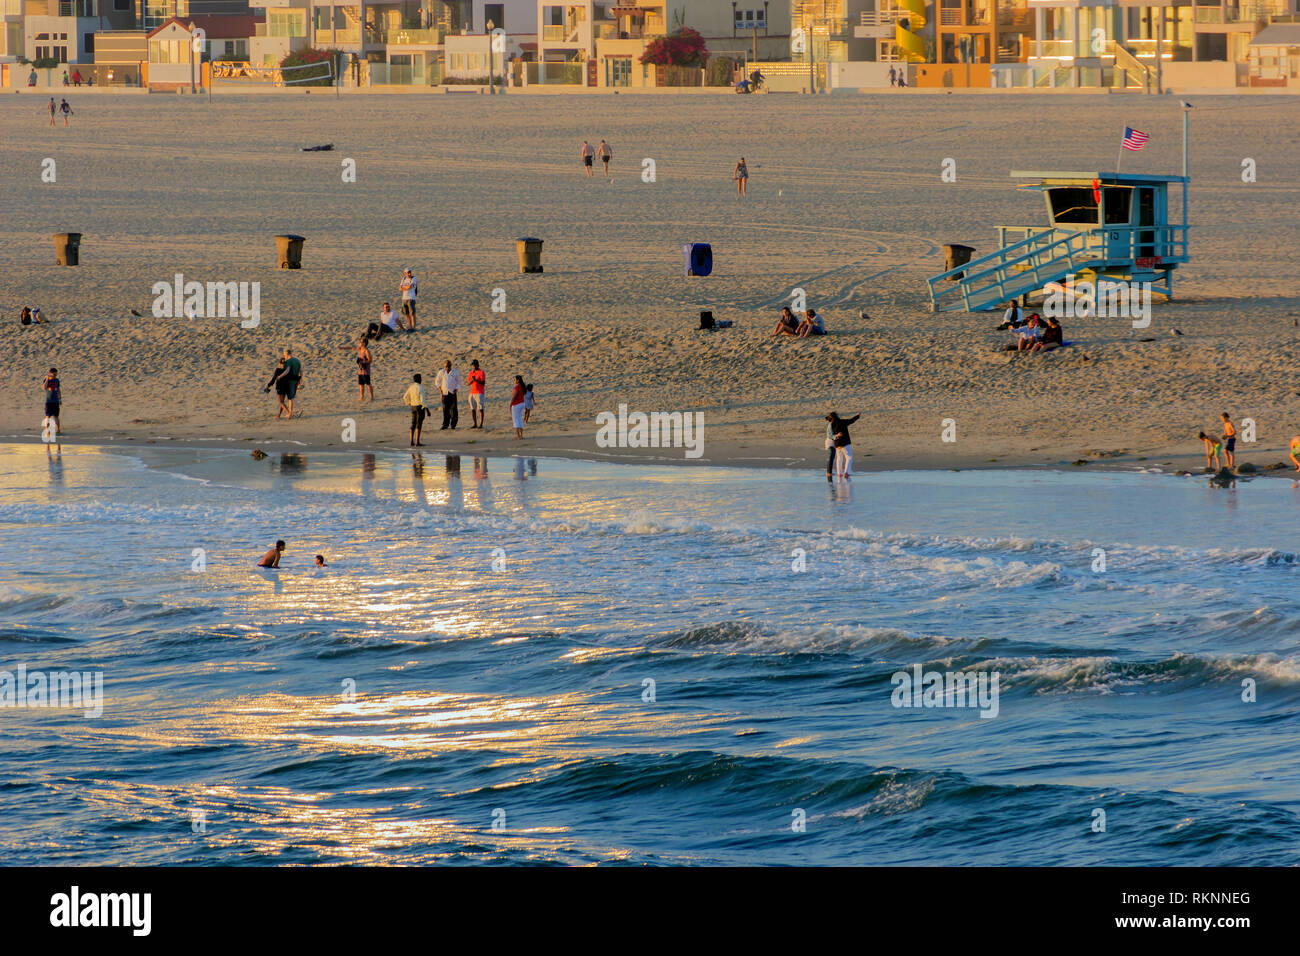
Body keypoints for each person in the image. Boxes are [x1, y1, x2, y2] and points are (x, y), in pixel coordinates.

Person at [339, 336, 373, 402]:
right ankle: (361, 397)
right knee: (361, 384)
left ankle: (371, 397)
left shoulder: (366, 351)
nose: (359, 343)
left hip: (366, 371)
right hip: (360, 371)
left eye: (361, 342)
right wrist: (342, 348)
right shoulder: (360, 349)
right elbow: (351, 348)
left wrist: (363, 362)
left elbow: (370, 360)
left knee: (368, 384)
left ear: (364, 343)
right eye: (360, 341)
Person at [826, 410, 860, 478]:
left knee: (839, 459)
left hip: (837, 444)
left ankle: (839, 474)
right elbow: (851, 420)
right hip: (845, 443)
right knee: (849, 457)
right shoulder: (842, 422)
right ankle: (846, 472)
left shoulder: (831, 425)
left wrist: (836, 436)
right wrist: (858, 415)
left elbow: (830, 434)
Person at [435, 359, 462, 430]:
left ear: (451, 366)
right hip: (444, 393)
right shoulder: (441, 372)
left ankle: (453, 424)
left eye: (449, 366)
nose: (447, 368)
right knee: (445, 409)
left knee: (454, 409)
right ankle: (445, 424)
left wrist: (456, 389)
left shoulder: (455, 372)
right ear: (444, 366)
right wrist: (440, 389)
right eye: (446, 366)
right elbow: (437, 381)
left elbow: (459, 382)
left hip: (452, 393)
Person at [403, 373, 428, 446]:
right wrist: (426, 409)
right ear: (420, 379)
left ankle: (411, 441)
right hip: (419, 407)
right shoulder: (420, 387)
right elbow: (423, 400)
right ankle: (417, 442)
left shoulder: (411, 387)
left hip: (413, 406)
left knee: (413, 423)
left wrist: (408, 403)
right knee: (419, 424)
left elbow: (405, 397)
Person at [277, 348, 302, 418]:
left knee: (291, 397)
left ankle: (300, 409)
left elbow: (287, 371)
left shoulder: (289, 361)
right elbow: (301, 371)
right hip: (296, 380)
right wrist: (301, 380)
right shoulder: (297, 360)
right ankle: (290, 413)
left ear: (287, 354)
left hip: (291, 381)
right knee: (291, 397)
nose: (284, 356)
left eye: (284, 355)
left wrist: (280, 376)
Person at [467, 359, 486, 429]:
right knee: (473, 409)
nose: (474, 366)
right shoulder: (471, 373)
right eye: (473, 365)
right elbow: (468, 383)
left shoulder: (481, 372)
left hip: (479, 393)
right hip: (472, 393)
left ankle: (481, 424)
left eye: (475, 365)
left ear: (478, 365)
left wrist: (476, 380)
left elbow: (483, 383)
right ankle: (475, 424)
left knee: (480, 409)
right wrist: (472, 380)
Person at [42, 368, 61, 437]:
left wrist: (60, 398)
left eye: (56, 374)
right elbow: (44, 387)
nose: (55, 375)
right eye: (54, 374)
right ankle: (47, 430)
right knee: (48, 416)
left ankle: (58, 429)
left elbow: (58, 389)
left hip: (56, 401)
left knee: (56, 416)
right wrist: (47, 379)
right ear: (50, 373)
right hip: (49, 401)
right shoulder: (46, 380)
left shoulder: (57, 380)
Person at [509, 375, 526, 439]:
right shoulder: (522, 386)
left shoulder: (517, 386)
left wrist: (511, 403)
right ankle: (521, 435)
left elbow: (514, 396)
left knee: (516, 420)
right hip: (522, 403)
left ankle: (518, 436)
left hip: (516, 404)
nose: (514, 381)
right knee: (519, 419)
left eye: (515, 379)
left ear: (518, 380)